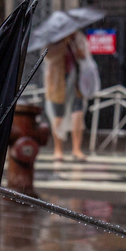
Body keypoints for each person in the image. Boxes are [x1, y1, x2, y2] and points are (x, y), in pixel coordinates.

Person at [43, 30, 93, 161]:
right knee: (58, 117)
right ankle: (58, 149)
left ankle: (76, 149)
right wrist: (63, 44)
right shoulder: (54, 40)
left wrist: (79, 52)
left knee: (78, 115)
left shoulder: (77, 40)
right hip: (57, 85)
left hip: (77, 85)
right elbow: (49, 57)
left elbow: (85, 57)